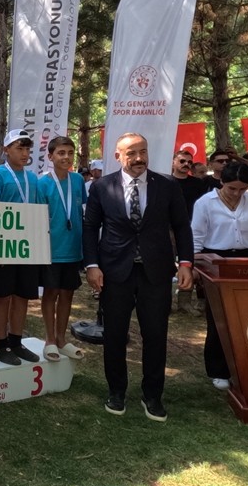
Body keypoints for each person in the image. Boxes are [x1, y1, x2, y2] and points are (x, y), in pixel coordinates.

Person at [82, 132, 194, 421]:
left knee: (156, 334)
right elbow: (90, 228)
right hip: (115, 272)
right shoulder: (102, 186)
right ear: (118, 156)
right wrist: (92, 265)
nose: (139, 158)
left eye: (142, 151)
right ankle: (116, 391)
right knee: (115, 335)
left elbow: (181, 226)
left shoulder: (167, 186)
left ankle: (153, 395)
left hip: (156, 272)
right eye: (131, 153)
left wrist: (186, 263)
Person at [191, 162, 248, 389]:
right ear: (221, 182)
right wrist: (192, 263)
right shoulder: (205, 203)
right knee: (219, 317)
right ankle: (218, 369)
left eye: (242, 189)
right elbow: (196, 236)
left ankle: (245, 366)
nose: (237, 193)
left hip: (247, 258)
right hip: (216, 260)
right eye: (232, 188)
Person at [0, 129, 42, 364]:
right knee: (2, 295)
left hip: (25, 246)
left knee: (21, 295)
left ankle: (16, 341)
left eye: (27, 149)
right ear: (5, 150)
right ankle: (0, 344)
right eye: (19, 148)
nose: (24, 153)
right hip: (3, 246)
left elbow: (36, 211)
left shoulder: (33, 178)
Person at [37, 136, 87, 361]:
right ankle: (49, 339)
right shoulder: (42, 182)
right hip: (51, 248)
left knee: (68, 293)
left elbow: (81, 211)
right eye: (61, 153)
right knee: (51, 293)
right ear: (51, 157)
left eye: (70, 152)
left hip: (73, 248)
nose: (66, 157)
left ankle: (61, 337)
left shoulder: (77, 181)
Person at [171, 148, 210, 217]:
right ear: (173, 162)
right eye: (182, 161)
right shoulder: (165, 182)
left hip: (192, 221)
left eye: (190, 162)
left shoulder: (198, 183)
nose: (186, 164)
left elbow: (204, 204)